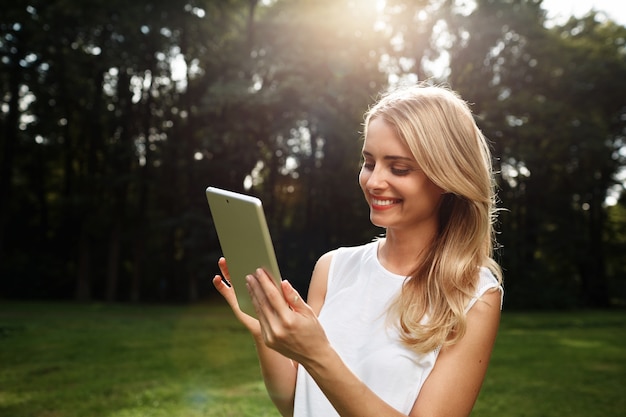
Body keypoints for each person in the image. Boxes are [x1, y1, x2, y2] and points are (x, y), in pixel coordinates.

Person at [213, 83, 504, 417]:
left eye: (399, 168)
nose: (374, 181)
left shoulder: (474, 294)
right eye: (369, 162)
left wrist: (318, 354)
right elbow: (297, 403)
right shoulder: (333, 267)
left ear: (445, 177)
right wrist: (264, 331)